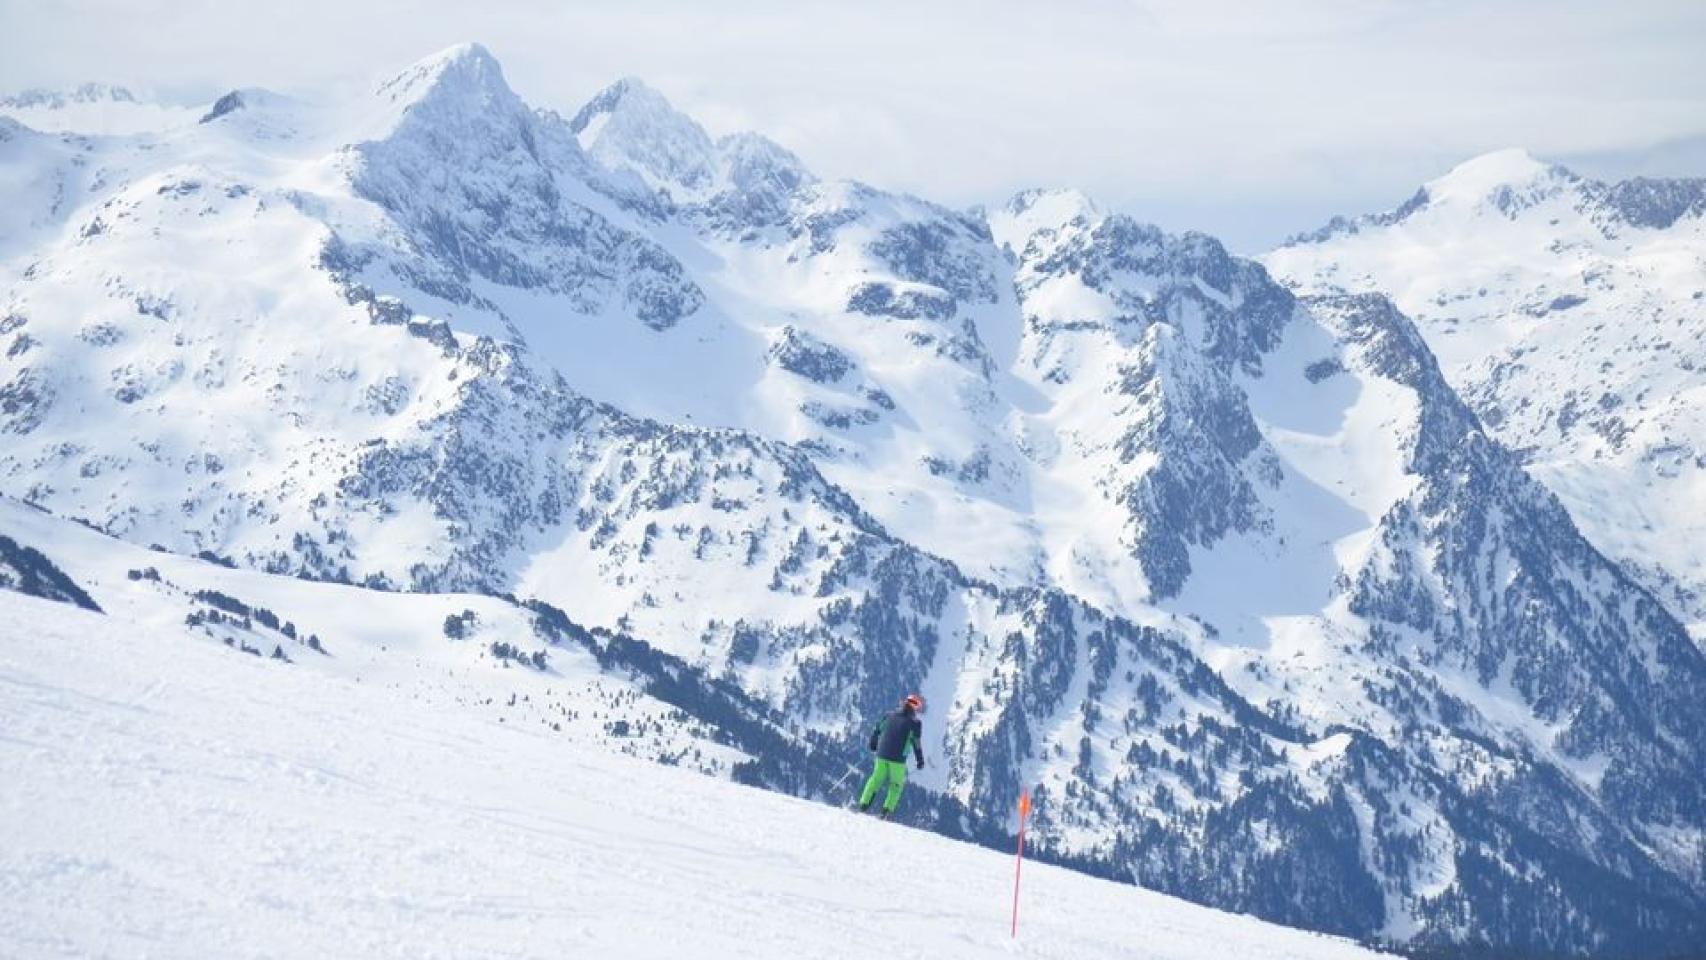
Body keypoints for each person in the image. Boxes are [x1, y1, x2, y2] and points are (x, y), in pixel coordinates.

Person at [856, 693, 926, 819]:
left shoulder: (889, 715)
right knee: (896, 785)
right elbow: (916, 743)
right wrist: (920, 760)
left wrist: (873, 743)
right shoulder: (915, 723)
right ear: (916, 708)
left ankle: (863, 806)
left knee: (875, 780)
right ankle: (885, 812)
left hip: (881, 754)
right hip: (898, 760)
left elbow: (877, 729)